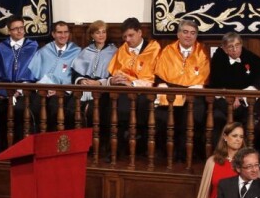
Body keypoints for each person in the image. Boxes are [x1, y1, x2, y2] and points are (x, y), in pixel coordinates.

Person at [155, 19, 210, 159]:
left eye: (192, 33)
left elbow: (203, 79)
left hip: (193, 93)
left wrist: (190, 91)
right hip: (171, 91)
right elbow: (161, 76)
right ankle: (166, 153)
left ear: (196, 36)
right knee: (161, 116)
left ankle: (185, 154)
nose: (188, 36)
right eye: (185, 32)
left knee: (193, 115)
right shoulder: (168, 50)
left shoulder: (202, 52)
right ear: (178, 34)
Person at [106, 17, 161, 151]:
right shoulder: (122, 50)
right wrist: (113, 80)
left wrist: (133, 84)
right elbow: (112, 73)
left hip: (145, 91)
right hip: (123, 89)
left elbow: (157, 77)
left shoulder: (153, 48)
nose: (128, 40)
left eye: (131, 35)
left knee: (127, 103)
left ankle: (133, 145)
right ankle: (116, 147)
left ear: (140, 33)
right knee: (112, 100)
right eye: (125, 37)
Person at [209, 32, 260, 137]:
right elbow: (216, 84)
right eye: (230, 47)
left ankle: (246, 152)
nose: (234, 49)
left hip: (246, 102)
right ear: (224, 49)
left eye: (237, 46)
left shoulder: (250, 58)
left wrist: (241, 95)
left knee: (251, 121)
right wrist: (231, 97)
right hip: (224, 103)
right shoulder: (218, 60)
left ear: (241, 45)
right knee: (217, 119)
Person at [0, 15, 39, 140]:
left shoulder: (33, 46)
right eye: (15, 29)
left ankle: (20, 145)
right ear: (9, 31)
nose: (19, 31)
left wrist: (19, 91)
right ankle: (0, 145)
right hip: (4, 89)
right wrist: (4, 91)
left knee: (19, 109)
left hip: (25, 90)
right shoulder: (2, 47)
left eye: (21, 27)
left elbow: (36, 73)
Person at [28, 21, 81, 130]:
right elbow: (35, 75)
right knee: (34, 106)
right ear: (53, 34)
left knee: (55, 106)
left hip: (65, 91)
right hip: (43, 89)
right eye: (59, 32)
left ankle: (54, 140)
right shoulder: (44, 51)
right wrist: (45, 88)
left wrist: (58, 89)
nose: (63, 35)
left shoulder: (76, 51)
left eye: (66, 32)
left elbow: (77, 76)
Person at [69, 20, 118, 126]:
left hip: (103, 90)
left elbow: (114, 75)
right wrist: (82, 80)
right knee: (71, 109)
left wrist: (99, 83)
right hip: (85, 87)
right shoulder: (86, 51)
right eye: (97, 32)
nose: (101, 35)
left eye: (103, 32)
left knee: (93, 111)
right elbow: (76, 72)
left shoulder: (114, 51)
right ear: (92, 35)